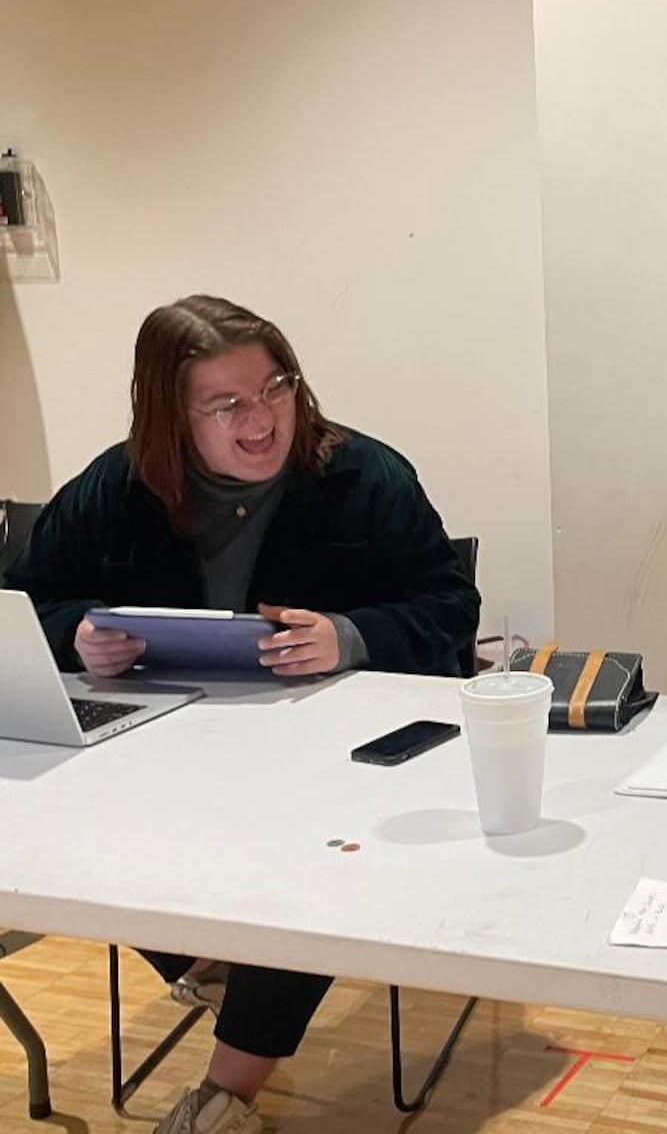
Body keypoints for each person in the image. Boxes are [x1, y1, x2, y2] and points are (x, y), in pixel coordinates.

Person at [3, 295, 480, 1134]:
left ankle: (225, 1100)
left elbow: (451, 609)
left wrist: (352, 636)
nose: (262, 419)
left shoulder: (366, 477)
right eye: (227, 404)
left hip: (334, 765)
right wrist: (76, 632)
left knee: (304, 869)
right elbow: (27, 600)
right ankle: (214, 953)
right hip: (161, 760)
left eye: (276, 387)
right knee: (69, 822)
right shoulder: (118, 484)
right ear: (170, 415)